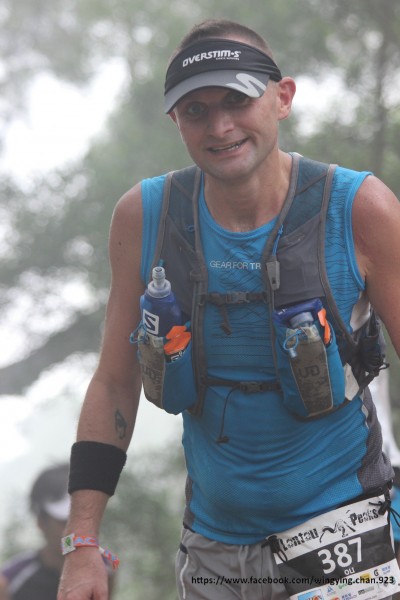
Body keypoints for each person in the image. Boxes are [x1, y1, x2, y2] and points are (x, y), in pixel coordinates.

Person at [57, 18, 400, 600]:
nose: (220, 127)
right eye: (197, 111)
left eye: (237, 100)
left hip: (343, 531)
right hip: (213, 550)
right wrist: (82, 542)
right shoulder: (146, 217)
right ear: (176, 121)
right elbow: (115, 382)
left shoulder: (358, 208)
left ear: (282, 97)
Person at [0, 464, 71, 600]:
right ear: (41, 522)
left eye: (81, 518)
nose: (74, 530)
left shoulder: (103, 567)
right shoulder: (9, 581)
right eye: (64, 521)